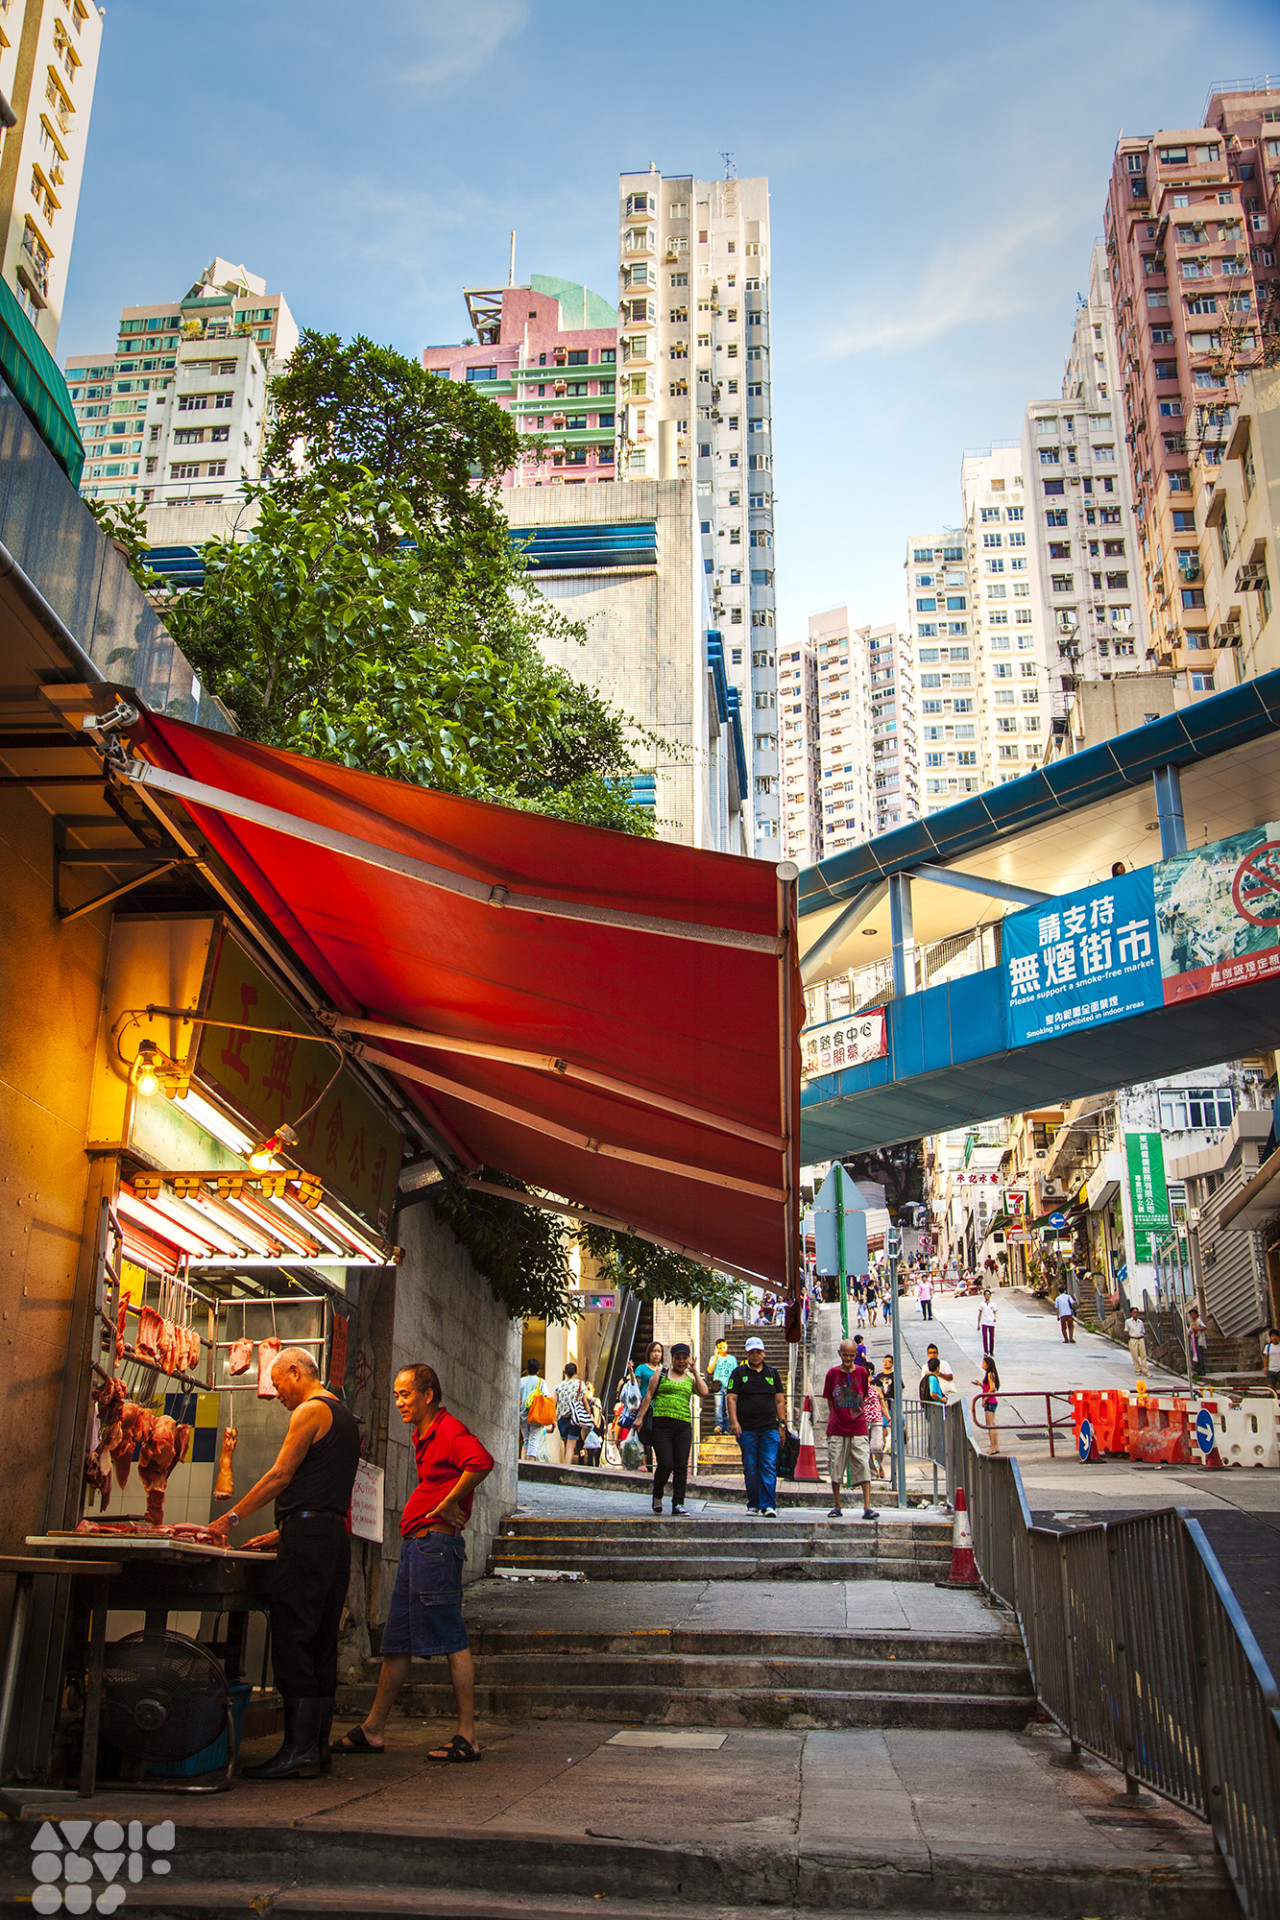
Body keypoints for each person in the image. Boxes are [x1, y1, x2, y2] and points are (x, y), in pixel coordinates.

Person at [207, 1346, 360, 1780]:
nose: (277, 1395)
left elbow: (280, 1474)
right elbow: (324, 1487)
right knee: (321, 1641)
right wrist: (282, 1529)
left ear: (296, 1372)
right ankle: (316, 1750)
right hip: (332, 1537)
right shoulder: (344, 1415)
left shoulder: (311, 1410)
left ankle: (297, 1752)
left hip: (310, 1542)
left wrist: (229, 1519)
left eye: (278, 1384)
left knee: (294, 1636)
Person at [334, 1362, 493, 1763]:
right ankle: (373, 1729)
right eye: (397, 1395)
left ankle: (467, 1736)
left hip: (434, 1547)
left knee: (451, 1637)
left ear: (428, 1395)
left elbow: (482, 1462)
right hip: (417, 1545)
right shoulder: (423, 1435)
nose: (400, 1402)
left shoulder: (448, 1429)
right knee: (398, 1642)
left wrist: (448, 1502)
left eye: (406, 1394)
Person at [636, 1341, 710, 1515]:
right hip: (662, 1425)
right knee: (666, 1463)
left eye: (685, 1358)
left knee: (681, 1466)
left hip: (683, 1426)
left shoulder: (690, 1379)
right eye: (679, 1358)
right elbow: (648, 1396)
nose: (682, 1361)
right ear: (672, 1358)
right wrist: (639, 1418)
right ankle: (658, 1494)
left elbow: (704, 1392)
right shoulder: (660, 1374)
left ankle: (678, 1503)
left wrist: (695, 1373)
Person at [727, 1335, 787, 1517]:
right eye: (752, 1352)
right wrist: (734, 1421)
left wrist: (782, 1424)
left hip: (769, 1427)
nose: (755, 1356)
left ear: (763, 1353)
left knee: (768, 1464)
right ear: (747, 1354)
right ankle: (753, 1503)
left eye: (758, 1352)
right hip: (747, 1428)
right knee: (751, 1466)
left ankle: (769, 1504)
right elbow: (731, 1397)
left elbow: (779, 1400)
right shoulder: (738, 1374)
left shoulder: (772, 1373)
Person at [822, 1338, 877, 1520]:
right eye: (845, 1355)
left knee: (863, 1464)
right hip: (837, 1426)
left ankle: (867, 1506)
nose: (848, 1359)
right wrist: (838, 1415)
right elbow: (830, 1400)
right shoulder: (832, 1374)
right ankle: (837, 1504)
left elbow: (864, 1395)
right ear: (839, 1354)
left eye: (851, 1356)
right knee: (835, 1466)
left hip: (858, 1426)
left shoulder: (861, 1373)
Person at [634, 1341, 664, 1471]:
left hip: (658, 1406)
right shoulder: (641, 1368)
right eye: (654, 1351)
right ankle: (642, 1463)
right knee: (643, 1432)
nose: (657, 1354)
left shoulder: (663, 1369)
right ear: (649, 1353)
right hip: (644, 1405)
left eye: (659, 1351)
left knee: (657, 1434)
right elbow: (636, 1387)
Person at [554, 1362, 592, 1466]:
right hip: (574, 1419)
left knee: (566, 1445)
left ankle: (565, 1465)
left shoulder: (559, 1386)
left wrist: (553, 1419)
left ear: (565, 1372)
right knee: (571, 1446)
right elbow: (585, 1402)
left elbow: (555, 1403)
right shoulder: (580, 1384)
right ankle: (567, 1468)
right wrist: (589, 1416)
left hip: (562, 1419)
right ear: (576, 1372)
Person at [518, 1358, 546, 1459]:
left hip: (523, 1414)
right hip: (536, 1415)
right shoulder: (540, 1382)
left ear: (527, 1369)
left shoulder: (521, 1381)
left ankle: (523, 1462)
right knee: (534, 1438)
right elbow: (546, 1396)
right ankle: (530, 1463)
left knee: (526, 1439)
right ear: (538, 1370)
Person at [710, 1338, 738, 1434]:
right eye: (720, 1347)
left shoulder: (732, 1359)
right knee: (718, 1406)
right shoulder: (714, 1358)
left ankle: (726, 1428)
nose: (722, 1349)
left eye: (724, 1346)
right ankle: (719, 1426)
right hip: (718, 1385)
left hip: (729, 1385)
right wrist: (716, 1357)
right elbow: (710, 1370)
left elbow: (736, 1372)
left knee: (728, 1408)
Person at [976, 1355, 1001, 1455]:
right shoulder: (990, 1374)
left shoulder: (990, 1374)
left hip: (990, 1401)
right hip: (992, 1401)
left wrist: (985, 1399)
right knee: (993, 1425)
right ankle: (996, 1446)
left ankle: (992, 1447)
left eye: (983, 1363)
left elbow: (992, 1389)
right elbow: (987, 1387)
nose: (982, 1365)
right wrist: (980, 1385)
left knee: (990, 1426)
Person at [865, 1372, 888, 1481]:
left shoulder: (876, 1390)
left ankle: (880, 1463)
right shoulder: (857, 1390)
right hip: (863, 1421)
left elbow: (883, 1405)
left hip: (876, 1420)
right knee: (866, 1449)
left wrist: (888, 1419)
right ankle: (873, 1471)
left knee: (876, 1447)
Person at [1184, 1306, 1207, 1378]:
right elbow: (1190, 1331)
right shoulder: (1192, 1323)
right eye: (1191, 1315)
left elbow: (1204, 1327)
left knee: (1200, 1355)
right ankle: (1198, 1369)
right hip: (1194, 1340)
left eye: (1193, 1314)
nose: (1192, 1316)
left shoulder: (1198, 1321)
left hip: (1199, 1339)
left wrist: (1198, 1329)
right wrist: (1190, 1333)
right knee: (1196, 1355)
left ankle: (1202, 1370)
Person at [1125, 1306, 1148, 1374]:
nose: (1136, 1314)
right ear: (1131, 1313)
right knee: (1135, 1355)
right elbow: (1126, 1331)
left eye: (1137, 1312)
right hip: (1133, 1339)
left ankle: (1145, 1370)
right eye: (1134, 1312)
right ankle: (1138, 1369)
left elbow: (1143, 1331)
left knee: (1143, 1355)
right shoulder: (1128, 1321)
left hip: (1140, 1338)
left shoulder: (1140, 1322)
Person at [977, 1288, 998, 1357]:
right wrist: (978, 1324)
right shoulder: (982, 1304)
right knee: (985, 1337)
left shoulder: (993, 1304)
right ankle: (986, 1351)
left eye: (988, 1295)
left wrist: (995, 1318)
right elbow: (979, 1314)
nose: (987, 1296)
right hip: (984, 1322)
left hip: (991, 1322)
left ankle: (991, 1351)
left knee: (991, 1338)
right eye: (986, 1294)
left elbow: (995, 1313)